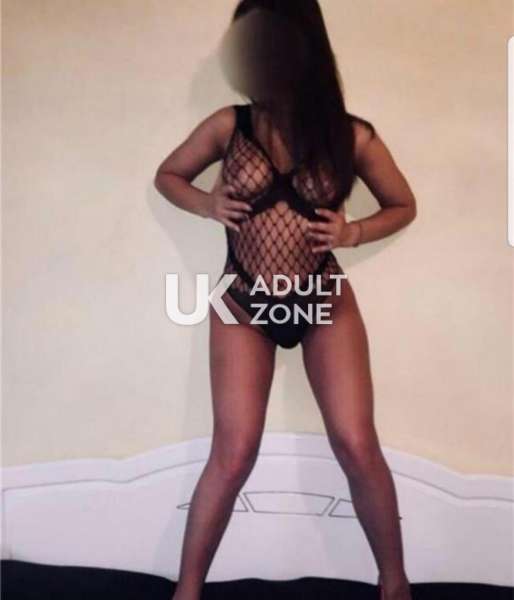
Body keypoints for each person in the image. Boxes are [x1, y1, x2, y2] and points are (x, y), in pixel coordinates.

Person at [154, 2, 417, 599]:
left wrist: (354, 232)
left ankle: (395, 585)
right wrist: (207, 204)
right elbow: (168, 176)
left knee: (356, 443)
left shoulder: (351, 134)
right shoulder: (229, 125)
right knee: (233, 453)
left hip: (323, 297)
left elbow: (404, 205)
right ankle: (186, 592)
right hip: (243, 301)